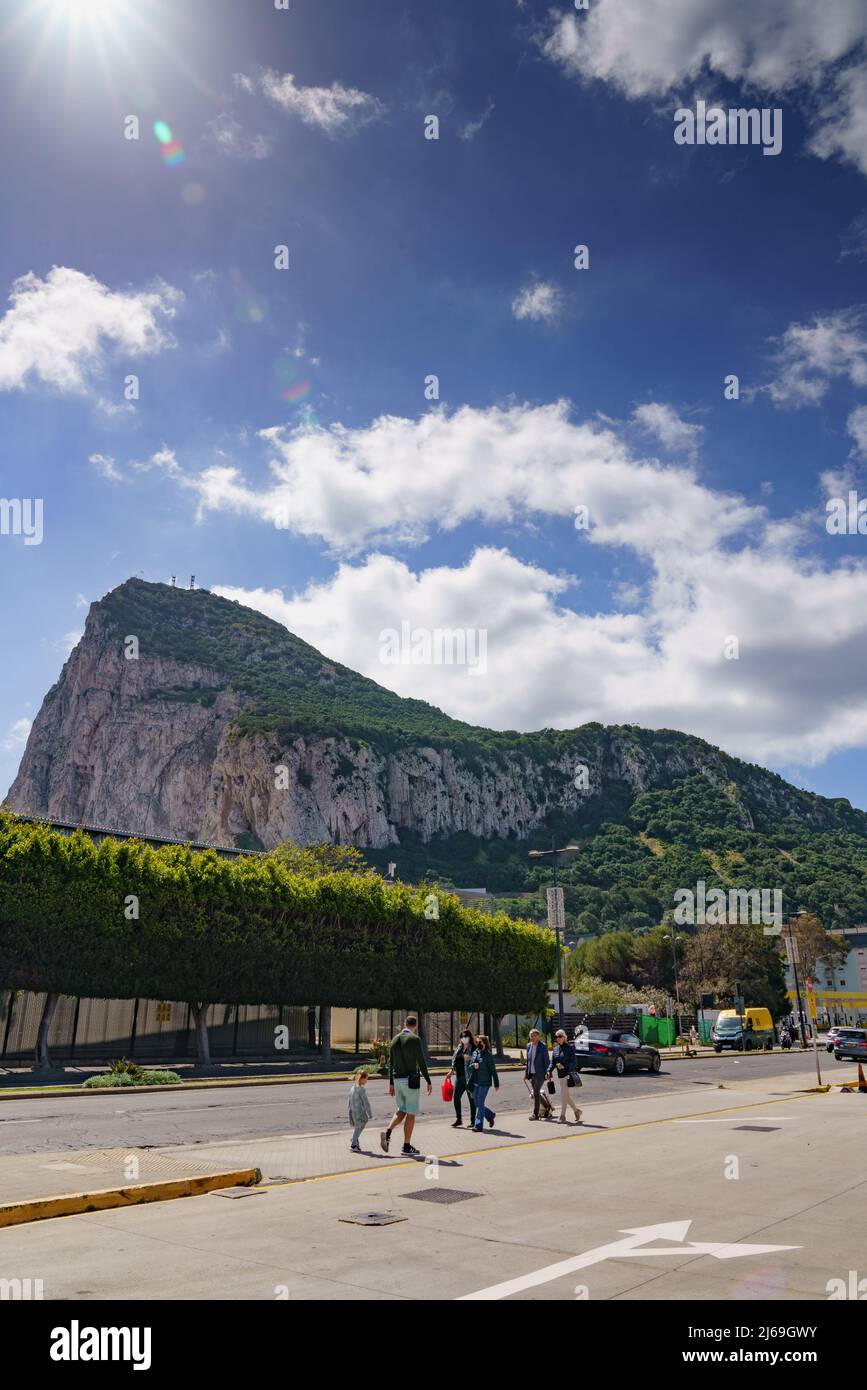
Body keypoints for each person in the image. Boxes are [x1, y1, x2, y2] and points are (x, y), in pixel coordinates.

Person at [381, 1015, 432, 1157]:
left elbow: (391, 1063)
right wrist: (428, 1080)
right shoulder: (415, 1040)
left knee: (401, 1109)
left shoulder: (395, 1039)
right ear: (415, 1026)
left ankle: (388, 1132)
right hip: (410, 1080)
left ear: (404, 1024)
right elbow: (421, 1062)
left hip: (397, 1080)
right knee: (411, 1113)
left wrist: (391, 1083)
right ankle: (406, 1145)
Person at [547, 1028, 583, 1124]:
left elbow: (574, 1062)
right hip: (560, 1075)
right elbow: (553, 1062)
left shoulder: (569, 1048)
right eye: (557, 1037)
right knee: (566, 1095)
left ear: (564, 1037)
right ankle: (577, 1111)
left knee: (564, 1095)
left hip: (568, 1074)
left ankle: (562, 1116)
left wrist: (565, 1066)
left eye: (560, 1036)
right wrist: (549, 1071)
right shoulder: (555, 1049)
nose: (558, 1038)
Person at [470, 1034, 499, 1132]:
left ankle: (478, 1125)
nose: (478, 1044)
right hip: (476, 1082)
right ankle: (490, 1115)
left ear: (485, 1044)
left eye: (480, 1042)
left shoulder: (488, 1055)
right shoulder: (475, 1053)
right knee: (477, 1103)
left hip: (485, 1083)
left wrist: (496, 1083)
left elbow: (493, 1071)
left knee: (480, 1103)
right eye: (477, 1042)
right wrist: (473, 1065)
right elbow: (469, 1067)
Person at [449, 1028, 477, 1129]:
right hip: (459, 1077)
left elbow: (478, 1060)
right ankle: (459, 1119)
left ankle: (473, 1121)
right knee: (456, 1097)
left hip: (469, 1077)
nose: (463, 1038)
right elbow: (455, 1061)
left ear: (469, 1037)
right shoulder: (459, 1048)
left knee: (472, 1100)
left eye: (465, 1036)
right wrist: (451, 1071)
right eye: (462, 1036)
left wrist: (471, 1059)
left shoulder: (473, 1048)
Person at [525, 1027, 551, 1121]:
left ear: (538, 1037)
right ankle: (547, 1106)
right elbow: (528, 1062)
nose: (532, 1037)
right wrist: (526, 1074)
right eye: (531, 1036)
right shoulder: (528, 1046)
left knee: (536, 1092)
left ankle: (535, 1114)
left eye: (534, 1036)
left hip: (540, 1073)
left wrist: (548, 1072)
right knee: (536, 1093)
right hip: (531, 1073)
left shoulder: (542, 1046)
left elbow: (547, 1060)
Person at [348, 1068, 373, 1152]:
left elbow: (349, 1101)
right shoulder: (361, 1090)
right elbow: (366, 1103)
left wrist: (350, 1112)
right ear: (362, 1078)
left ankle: (355, 1139)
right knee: (359, 1126)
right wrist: (370, 1114)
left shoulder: (352, 1088)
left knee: (359, 1126)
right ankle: (353, 1144)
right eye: (366, 1079)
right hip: (359, 1112)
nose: (366, 1081)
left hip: (353, 1112)